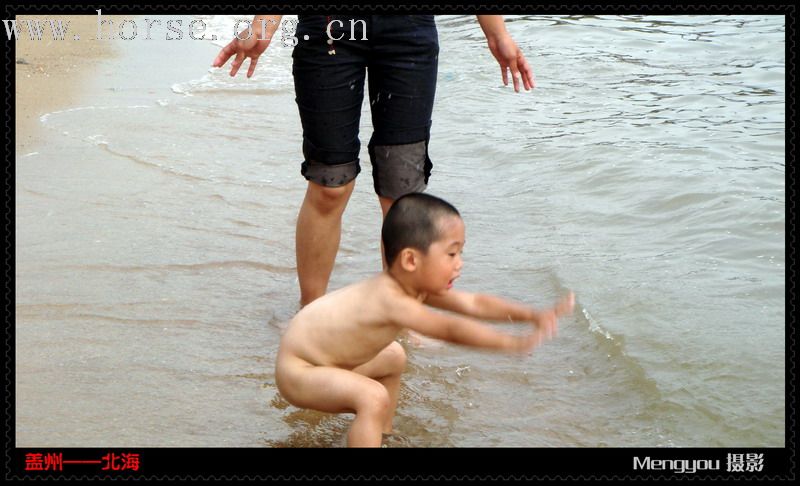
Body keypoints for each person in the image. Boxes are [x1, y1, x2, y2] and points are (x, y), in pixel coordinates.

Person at [213, 15, 535, 306]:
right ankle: (310, 311)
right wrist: (263, 25)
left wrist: (497, 33)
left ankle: (403, 312)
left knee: (402, 191)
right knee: (330, 185)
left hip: (409, 33)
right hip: (328, 31)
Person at [275, 193, 575, 447]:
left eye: (460, 253)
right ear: (410, 260)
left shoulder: (412, 286)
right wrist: (511, 343)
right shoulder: (391, 299)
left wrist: (532, 315)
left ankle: (380, 434)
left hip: (327, 362)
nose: (459, 264)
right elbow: (448, 328)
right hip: (300, 370)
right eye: (451, 254)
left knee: (393, 356)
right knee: (371, 396)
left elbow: (474, 303)